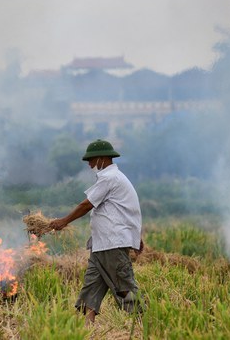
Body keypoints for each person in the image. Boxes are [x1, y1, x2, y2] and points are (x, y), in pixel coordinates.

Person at [50, 138, 143, 324]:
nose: (90, 164)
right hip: (102, 245)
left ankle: (142, 324)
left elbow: (86, 205)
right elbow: (127, 210)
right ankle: (88, 331)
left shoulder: (110, 178)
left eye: (92, 160)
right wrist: (135, 235)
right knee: (91, 288)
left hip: (112, 244)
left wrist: (64, 221)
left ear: (102, 158)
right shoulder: (114, 178)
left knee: (124, 287)